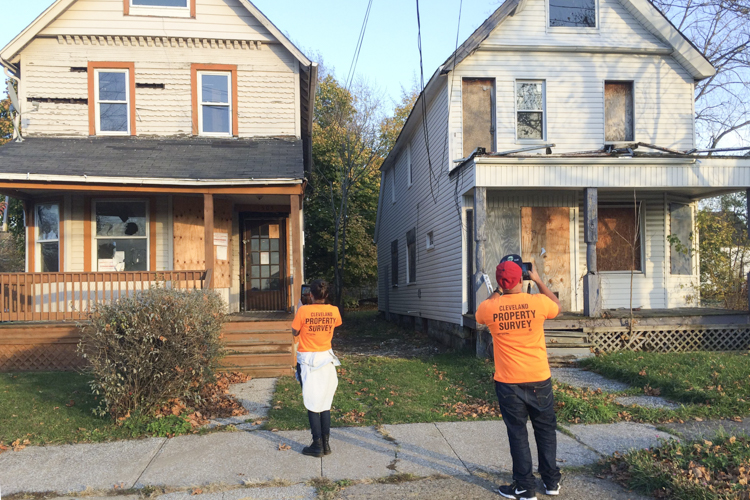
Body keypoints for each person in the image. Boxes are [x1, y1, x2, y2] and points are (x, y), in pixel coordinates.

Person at [475, 255, 562, 500]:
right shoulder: (538, 302)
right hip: (539, 379)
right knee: (545, 430)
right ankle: (551, 482)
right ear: (522, 279)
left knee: (518, 433)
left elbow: (478, 315)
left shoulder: (490, 308)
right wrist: (538, 280)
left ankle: (524, 487)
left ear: (501, 283)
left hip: (508, 382)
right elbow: (557, 305)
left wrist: (496, 294)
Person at [291, 279, 342, 457]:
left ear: (310, 294)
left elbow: (294, 332)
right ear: (326, 295)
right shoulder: (334, 311)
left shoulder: (303, 310)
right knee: (325, 403)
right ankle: (326, 444)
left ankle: (317, 444)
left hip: (307, 360)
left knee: (312, 403)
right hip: (326, 359)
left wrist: (301, 308)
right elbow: (335, 324)